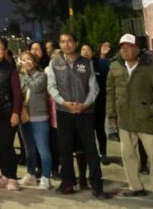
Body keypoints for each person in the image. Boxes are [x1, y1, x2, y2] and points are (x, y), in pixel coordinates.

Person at [45, 32, 107, 199]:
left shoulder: (87, 63)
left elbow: (94, 88)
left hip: (85, 113)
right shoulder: (54, 63)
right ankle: (67, 184)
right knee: (64, 150)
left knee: (90, 150)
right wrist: (63, 102)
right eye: (63, 42)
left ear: (76, 43)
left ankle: (97, 187)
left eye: (69, 41)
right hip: (64, 112)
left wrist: (85, 104)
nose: (66, 44)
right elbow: (51, 87)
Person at [105, 33, 153, 201]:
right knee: (128, 155)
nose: (125, 51)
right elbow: (110, 91)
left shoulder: (150, 67)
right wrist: (111, 113)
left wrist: (152, 109)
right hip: (124, 118)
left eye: (129, 47)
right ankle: (135, 186)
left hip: (145, 117)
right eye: (122, 48)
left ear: (137, 49)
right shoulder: (115, 66)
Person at [0, 37, 23, 191]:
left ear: (5, 51)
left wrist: (16, 112)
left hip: (7, 113)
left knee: (7, 145)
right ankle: (4, 176)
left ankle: (13, 177)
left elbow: (17, 94)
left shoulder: (10, 69)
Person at [18, 50, 53, 190]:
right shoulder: (20, 77)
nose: (26, 62)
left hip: (40, 118)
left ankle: (46, 177)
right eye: (23, 60)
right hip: (25, 118)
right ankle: (31, 174)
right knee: (29, 149)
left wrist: (25, 74)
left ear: (35, 61)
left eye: (29, 59)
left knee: (43, 149)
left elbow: (35, 87)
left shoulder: (41, 76)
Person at [81, 42, 110, 163]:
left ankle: (103, 153)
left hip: (99, 103)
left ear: (93, 52)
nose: (85, 52)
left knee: (100, 129)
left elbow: (106, 74)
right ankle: (91, 154)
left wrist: (103, 56)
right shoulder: (78, 66)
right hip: (84, 105)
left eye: (88, 49)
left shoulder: (99, 64)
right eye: (83, 49)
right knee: (87, 130)